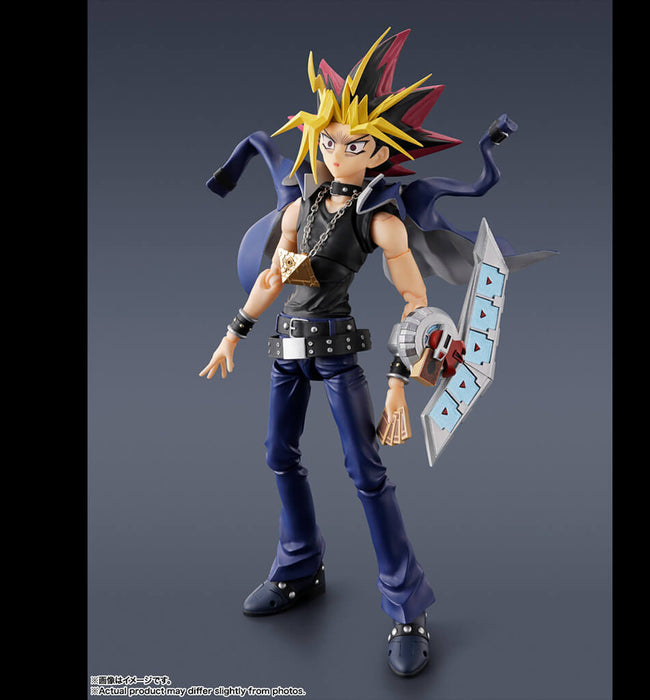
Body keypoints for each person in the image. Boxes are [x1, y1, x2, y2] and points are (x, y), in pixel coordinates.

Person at [199, 27, 537, 676]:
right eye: (329, 140)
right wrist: (233, 333)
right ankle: (299, 567)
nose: (336, 152)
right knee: (278, 454)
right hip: (285, 348)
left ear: (380, 152)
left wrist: (396, 385)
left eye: (354, 145)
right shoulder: (300, 205)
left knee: (366, 472)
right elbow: (274, 277)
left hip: (336, 354)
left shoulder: (379, 219)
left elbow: (415, 304)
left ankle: (408, 608)